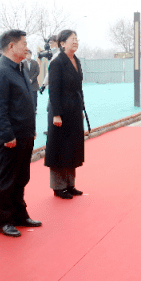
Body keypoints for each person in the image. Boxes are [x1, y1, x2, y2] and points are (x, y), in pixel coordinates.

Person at [0, 29, 41, 237]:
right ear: (11, 46)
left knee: (21, 177)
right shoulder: (0, 71)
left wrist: (31, 129)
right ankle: (3, 220)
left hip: (25, 133)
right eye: (23, 43)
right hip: (11, 137)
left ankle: (20, 214)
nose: (26, 47)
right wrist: (7, 135)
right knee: (7, 180)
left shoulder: (19, 69)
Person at [44, 30, 85, 199]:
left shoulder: (76, 60)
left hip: (74, 110)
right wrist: (56, 114)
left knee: (72, 147)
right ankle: (59, 186)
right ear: (62, 43)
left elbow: (79, 88)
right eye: (72, 39)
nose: (75, 42)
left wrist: (81, 108)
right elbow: (53, 90)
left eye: (77, 39)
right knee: (60, 148)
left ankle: (70, 184)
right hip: (60, 111)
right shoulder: (57, 62)